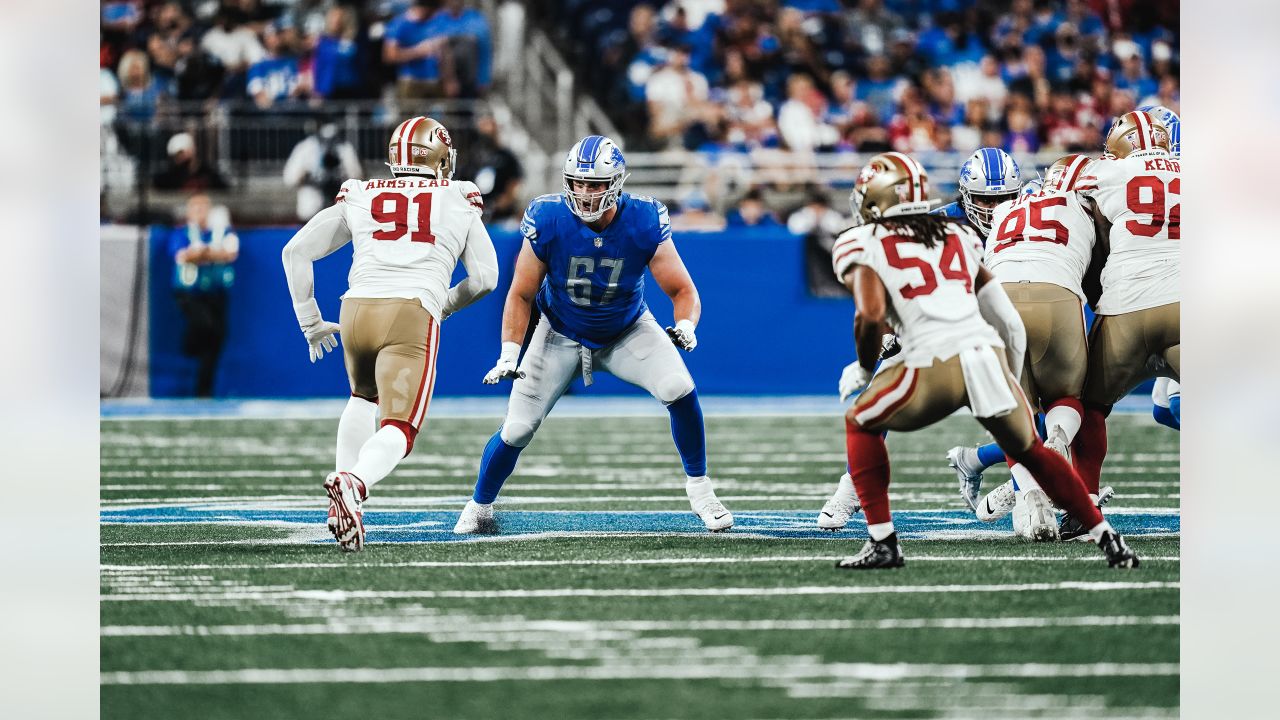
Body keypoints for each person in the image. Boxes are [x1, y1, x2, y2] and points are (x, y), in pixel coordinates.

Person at [828, 151, 1137, 569]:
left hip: (958, 337)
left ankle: (895, 532)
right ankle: (851, 488)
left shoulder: (889, 237)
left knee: (869, 413)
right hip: (952, 330)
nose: (992, 209)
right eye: (984, 200)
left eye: (1001, 198)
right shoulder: (955, 227)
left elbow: (871, 301)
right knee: (1041, 425)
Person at [453, 135, 732, 534]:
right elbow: (520, 293)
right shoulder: (548, 216)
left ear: (616, 183)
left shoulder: (643, 218)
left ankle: (702, 491)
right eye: (578, 182)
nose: (585, 193)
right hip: (560, 331)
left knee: (679, 388)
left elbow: (683, 290)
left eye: (596, 184)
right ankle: (480, 505)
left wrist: (686, 324)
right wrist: (509, 352)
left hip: (627, 328)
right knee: (517, 428)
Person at [281, 116, 498, 552]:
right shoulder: (458, 196)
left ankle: (344, 504)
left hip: (355, 308)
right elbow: (486, 278)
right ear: (439, 158)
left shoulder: (361, 192)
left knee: (362, 399)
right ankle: (354, 483)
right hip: (410, 310)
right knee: (401, 427)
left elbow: (296, 251)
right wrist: (446, 305)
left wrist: (310, 321)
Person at [949, 154, 1100, 541]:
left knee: (1012, 408)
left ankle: (1028, 493)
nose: (991, 205)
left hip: (999, 296)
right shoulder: (1083, 208)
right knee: (1072, 396)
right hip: (1058, 295)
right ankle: (1060, 443)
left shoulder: (1003, 215)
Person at [1062, 110, 1180, 540]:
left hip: (1128, 304)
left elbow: (1056, 194)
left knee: (1089, 404)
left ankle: (1084, 506)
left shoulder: (1108, 172)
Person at [170, 193, 238, 397]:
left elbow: (230, 253)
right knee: (204, 325)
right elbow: (183, 256)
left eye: (203, 208)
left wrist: (203, 253)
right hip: (190, 293)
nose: (200, 213)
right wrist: (210, 254)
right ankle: (189, 347)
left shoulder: (222, 232)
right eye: (196, 208)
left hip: (216, 294)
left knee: (216, 339)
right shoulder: (181, 233)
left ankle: (204, 391)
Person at [282, 122, 363, 221]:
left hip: (338, 207)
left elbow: (357, 176)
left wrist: (338, 179)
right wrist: (309, 177)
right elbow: (290, 178)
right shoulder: (306, 147)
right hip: (311, 204)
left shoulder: (344, 148)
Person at [453, 113, 524, 223]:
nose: (485, 130)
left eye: (488, 125)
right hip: (476, 214)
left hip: (501, 217)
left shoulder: (506, 156)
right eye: (482, 126)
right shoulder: (472, 157)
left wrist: (504, 201)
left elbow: (515, 182)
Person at [152, 132, 230, 192]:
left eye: (181, 153)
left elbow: (222, 187)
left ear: (191, 150)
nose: (179, 157)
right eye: (176, 155)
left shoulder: (207, 173)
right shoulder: (171, 175)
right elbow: (158, 183)